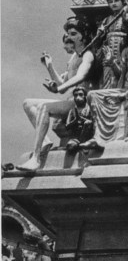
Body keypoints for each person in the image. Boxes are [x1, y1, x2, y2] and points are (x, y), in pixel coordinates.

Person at [19, 23, 97, 173]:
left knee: (44, 108)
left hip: (81, 102)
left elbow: (81, 76)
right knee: (28, 104)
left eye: (73, 34)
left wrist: (59, 88)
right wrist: (49, 67)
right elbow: (63, 85)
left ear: (81, 36)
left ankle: (36, 158)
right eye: (68, 34)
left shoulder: (87, 54)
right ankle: (45, 143)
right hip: (69, 100)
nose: (68, 37)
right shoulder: (74, 57)